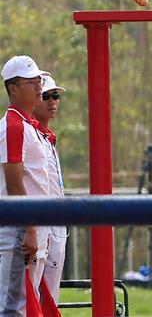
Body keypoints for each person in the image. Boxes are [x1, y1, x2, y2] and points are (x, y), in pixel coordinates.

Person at [1, 56, 55, 317]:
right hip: (20, 230)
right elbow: (14, 182)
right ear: (13, 88)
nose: (38, 87)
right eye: (31, 82)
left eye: (39, 81)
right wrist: (29, 228)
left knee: (28, 300)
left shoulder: (27, 126)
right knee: (15, 306)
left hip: (35, 227)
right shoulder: (14, 127)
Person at [32, 75, 68, 302]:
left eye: (55, 96)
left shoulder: (47, 138)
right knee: (32, 296)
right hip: (40, 224)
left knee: (50, 296)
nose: (52, 101)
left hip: (57, 224)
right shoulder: (30, 135)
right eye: (46, 96)